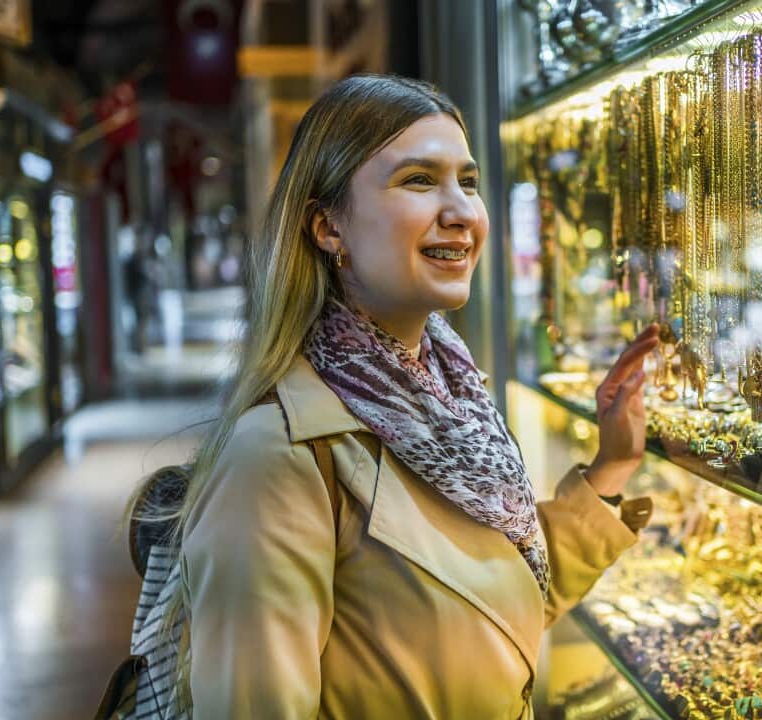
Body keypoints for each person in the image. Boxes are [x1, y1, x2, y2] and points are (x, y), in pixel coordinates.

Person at [145, 74, 660, 719]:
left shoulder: (449, 398)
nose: (462, 212)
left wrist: (611, 466)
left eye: (467, 182)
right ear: (329, 227)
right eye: (418, 180)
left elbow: (492, 606)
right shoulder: (276, 459)